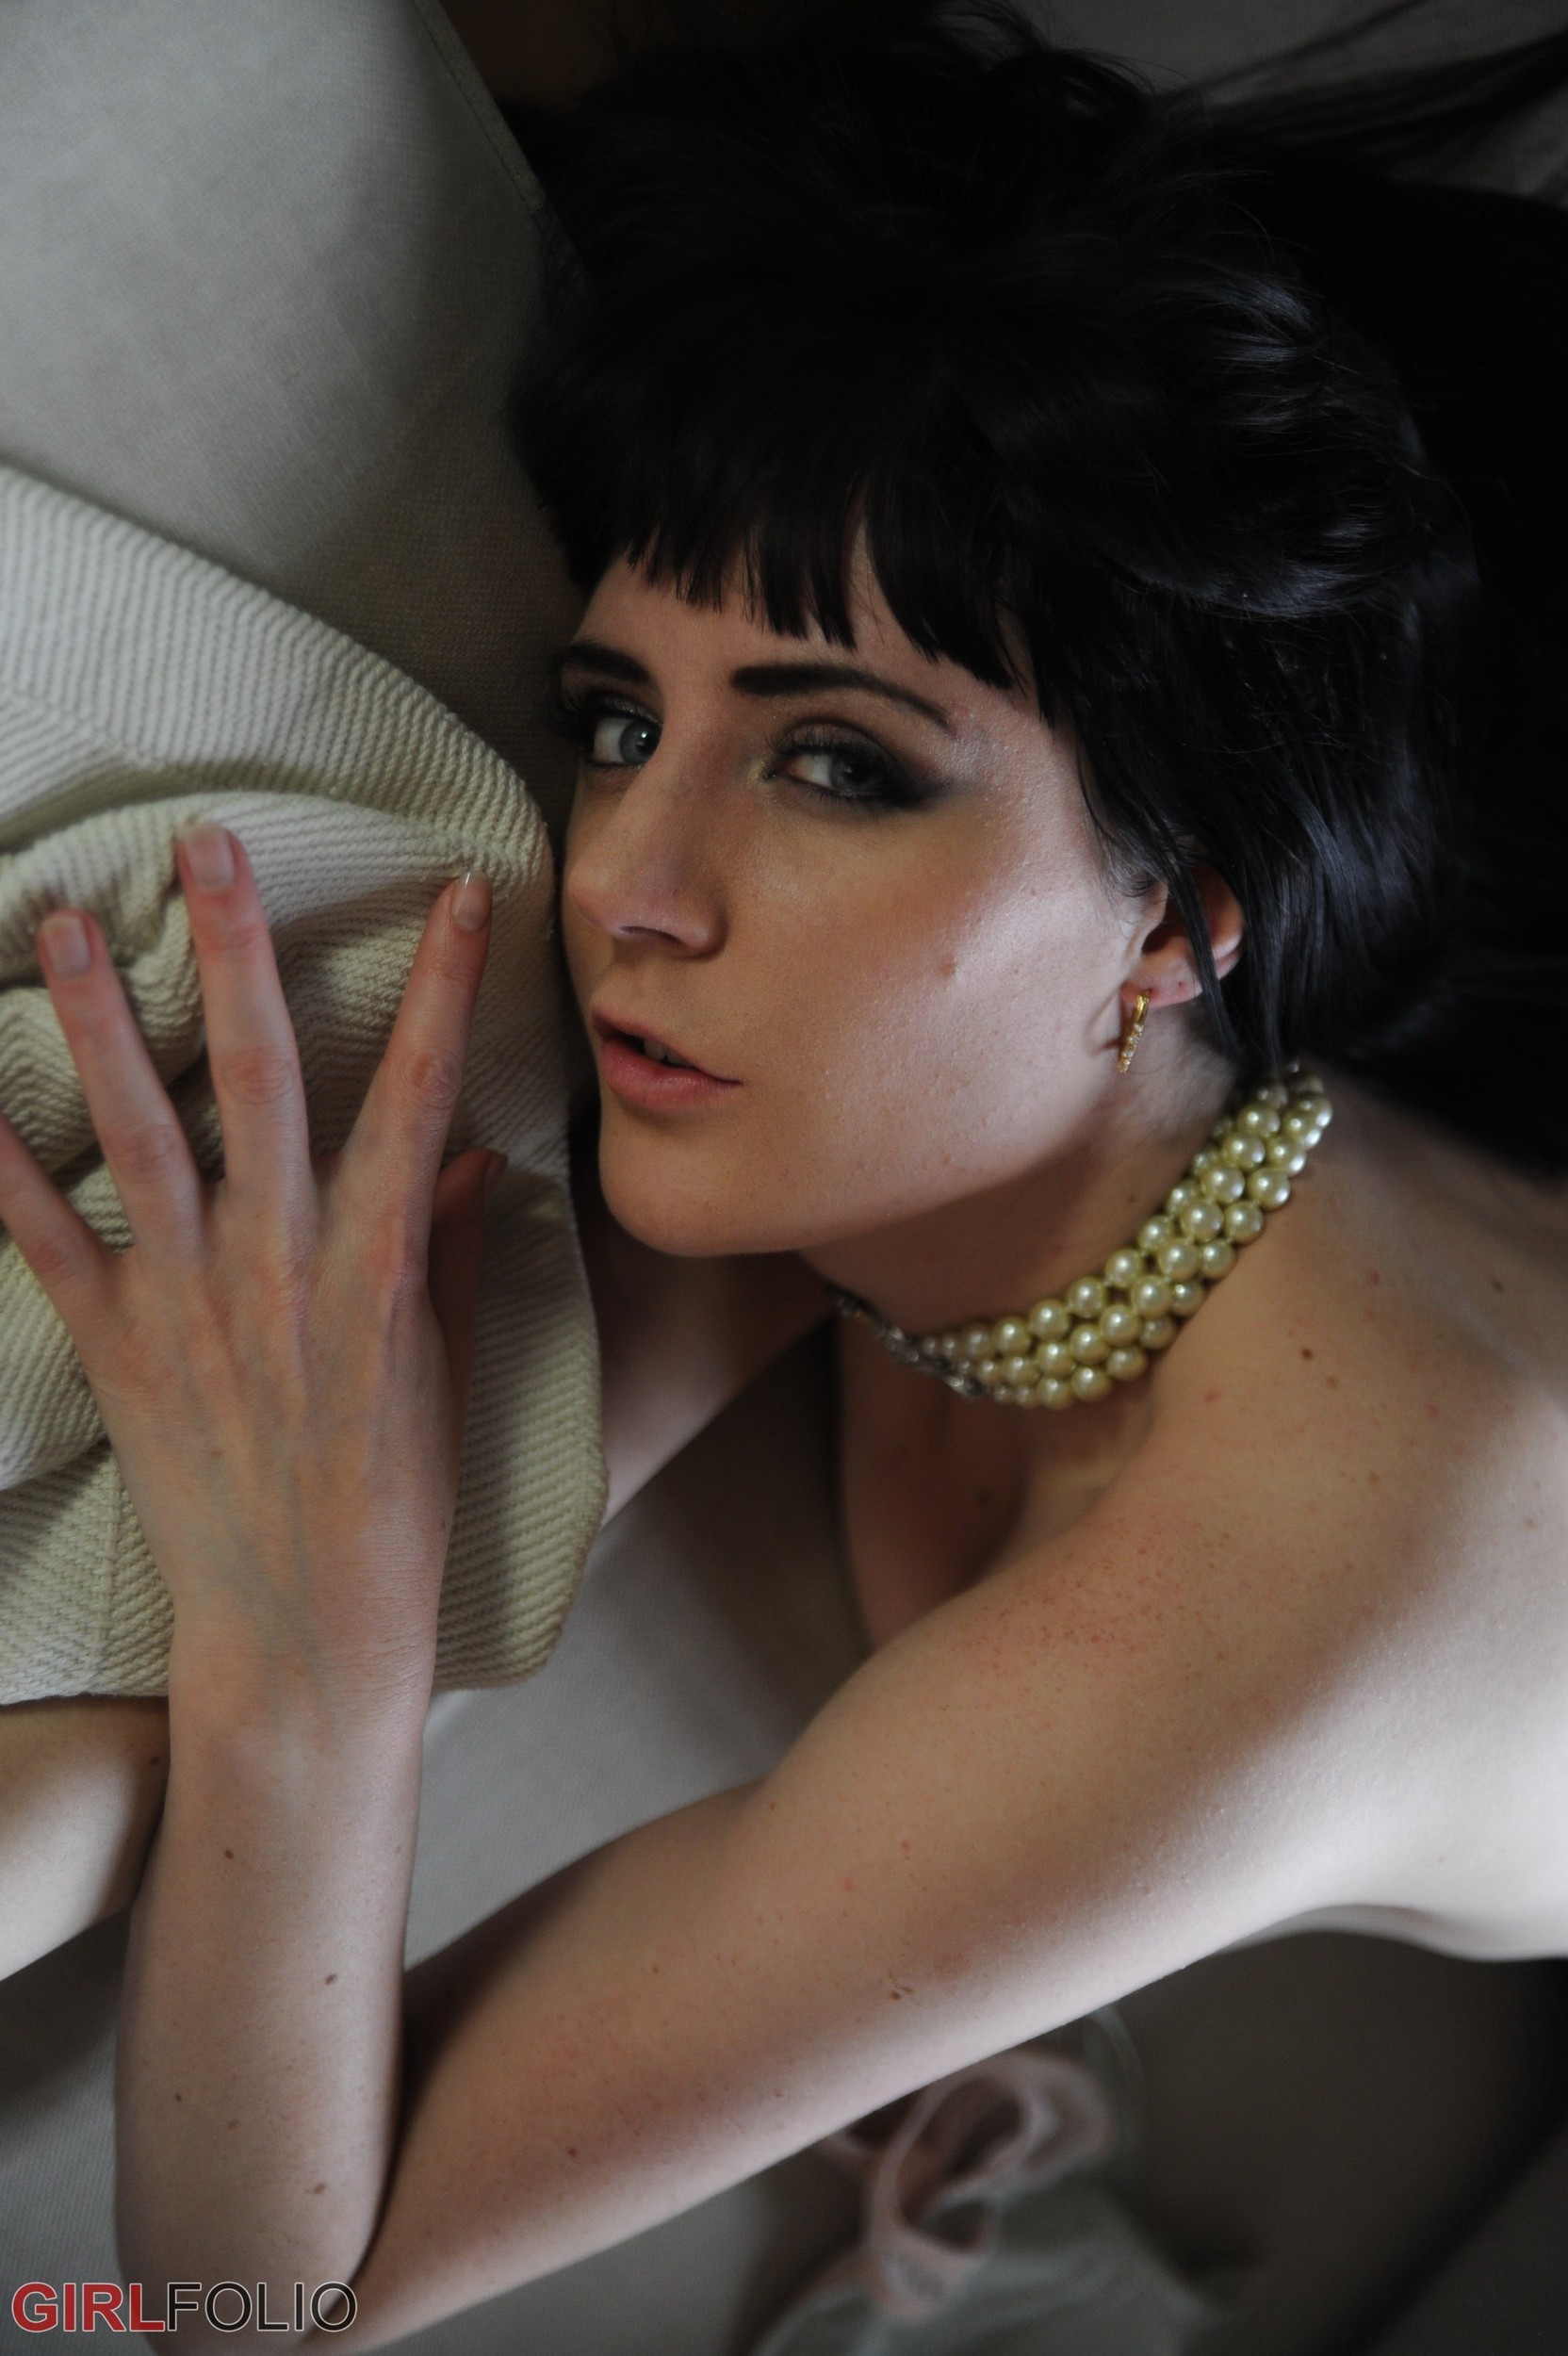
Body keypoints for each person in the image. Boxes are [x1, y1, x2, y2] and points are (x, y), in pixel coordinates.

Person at [0, 1, 1565, 2341]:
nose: (622, 877)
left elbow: (231, 2309)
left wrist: (301, 1677)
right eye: (615, 721)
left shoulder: (1274, 1599)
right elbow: (227, 1596)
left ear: (1173, 920)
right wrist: (256, 1627)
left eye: (839, 766)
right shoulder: (879, 1135)